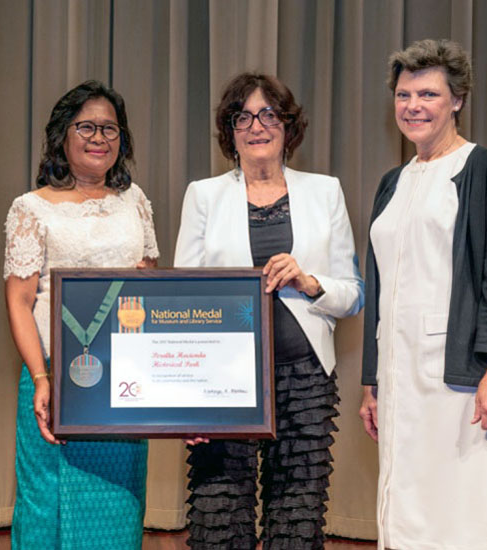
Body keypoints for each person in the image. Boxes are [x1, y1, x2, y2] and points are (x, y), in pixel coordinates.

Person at [174, 72, 364, 550]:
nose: (257, 125)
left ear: (288, 126)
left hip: (305, 379)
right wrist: (185, 400)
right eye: (243, 116)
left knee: (296, 523)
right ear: (230, 130)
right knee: (219, 521)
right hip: (222, 383)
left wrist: (309, 281)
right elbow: (181, 296)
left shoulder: (325, 191)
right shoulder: (204, 195)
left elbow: (354, 294)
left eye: (269, 114)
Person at [359, 39, 487, 550]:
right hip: (397, 372)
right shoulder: (393, 182)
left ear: (457, 100)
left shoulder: (481, 168)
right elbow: (379, 284)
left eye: (428, 94)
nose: (413, 106)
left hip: (460, 378)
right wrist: (371, 380)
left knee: (463, 507)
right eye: (404, 95)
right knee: (405, 503)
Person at [3, 80, 159, 550]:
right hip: (55, 379)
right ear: (63, 136)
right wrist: (42, 376)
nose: (98, 137)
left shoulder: (135, 202)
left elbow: (149, 286)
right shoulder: (30, 207)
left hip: (124, 384)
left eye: (109, 128)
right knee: (44, 505)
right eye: (86, 126)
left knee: (118, 507)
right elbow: (19, 302)